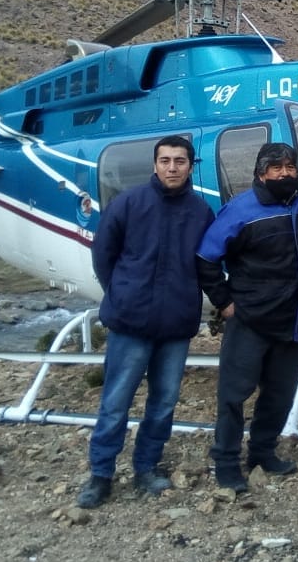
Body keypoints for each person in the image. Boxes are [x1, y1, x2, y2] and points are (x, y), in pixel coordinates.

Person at [77, 134, 214, 509]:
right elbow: (103, 257)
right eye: (166, 160)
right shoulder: (127, 204)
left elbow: (207, 265)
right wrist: (121, 295)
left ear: (190, 166)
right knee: (116, 401)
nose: (172, 167)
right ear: (155, 164)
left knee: (164, 402)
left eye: (180, 161)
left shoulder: (201, 212)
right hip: (130, 323)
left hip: (175, 326)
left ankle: (147, 467)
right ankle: (100, 474)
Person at [196, 142, 298, 492]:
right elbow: (206, 259)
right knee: (234, 395)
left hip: (293, 318)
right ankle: (225, 461)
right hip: (250, 320)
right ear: (260, 172)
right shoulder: (239, 210)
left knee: (279, 395)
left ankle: (262, 453)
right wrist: (224, 303)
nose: (285, 173)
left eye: (290, 167)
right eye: (276, 168)